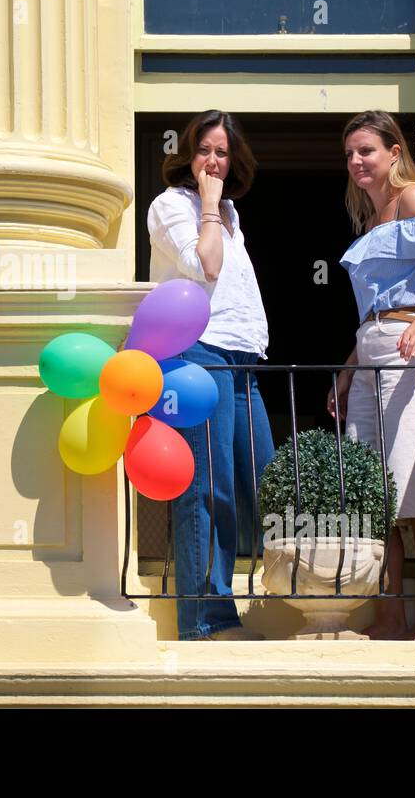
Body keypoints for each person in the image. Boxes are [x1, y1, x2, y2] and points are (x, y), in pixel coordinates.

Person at [328, 110, 415, 641]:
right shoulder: (370, 217)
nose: (356, 161)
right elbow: (372, 313)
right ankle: (389, 618)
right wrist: (347, 370)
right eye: (349, 154)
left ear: (394, 152)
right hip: (369, 353)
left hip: (412, 347)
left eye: (365, 150)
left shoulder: (413, 199)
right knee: (372, 493)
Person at [146, 109, 274, 642]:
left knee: (268, 481)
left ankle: (281, 594)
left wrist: (218, 209)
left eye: (222, 152)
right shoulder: (173, 205)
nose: (213, 161)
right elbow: (207, 267)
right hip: (201, 353)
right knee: (207, 487)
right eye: (205, 149)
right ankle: (206, 617)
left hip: (246, 359)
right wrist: (207, 204)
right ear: (188, 154)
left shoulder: (232, 215)